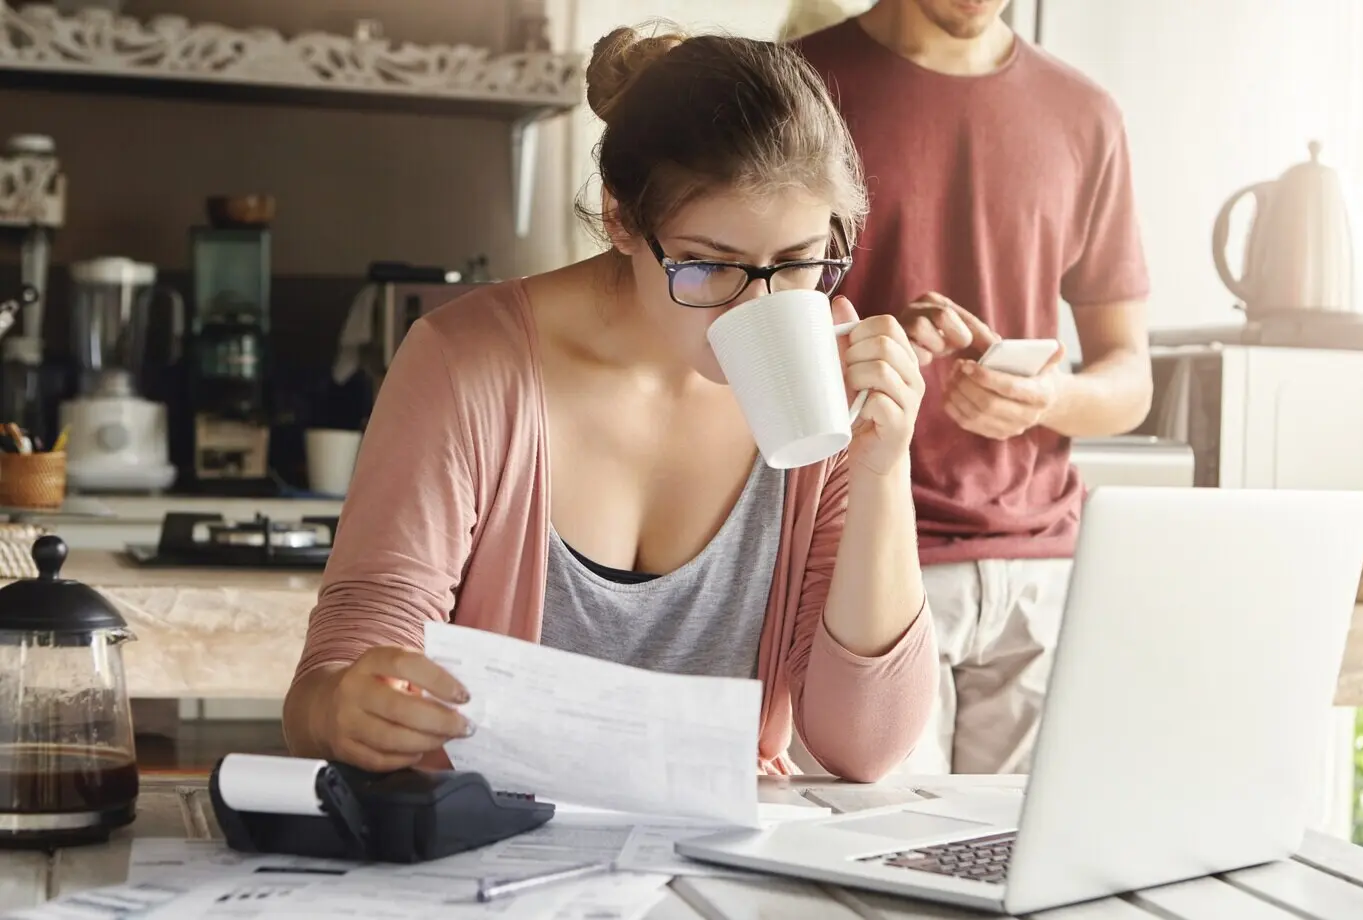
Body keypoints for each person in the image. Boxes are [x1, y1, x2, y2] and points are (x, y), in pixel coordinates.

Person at [282, 26, 939, 782]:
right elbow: (329, 689)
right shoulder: (470, 364)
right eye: (709, 264)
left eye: (797, 264)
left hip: (721, 846)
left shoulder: (826, 375)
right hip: (489, 842)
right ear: (622, 218)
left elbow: (864, 747)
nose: (754, 307)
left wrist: (883, 470)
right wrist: (344, 710)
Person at [792, 0, 1153, 775]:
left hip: (1044, 579)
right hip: (861, 559)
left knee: (1034, 850)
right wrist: (862, 349)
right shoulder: (799, 86)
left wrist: (1047, 398)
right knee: (871, 846)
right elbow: (734, 334)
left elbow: (1131, 378)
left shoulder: (1086, 114)